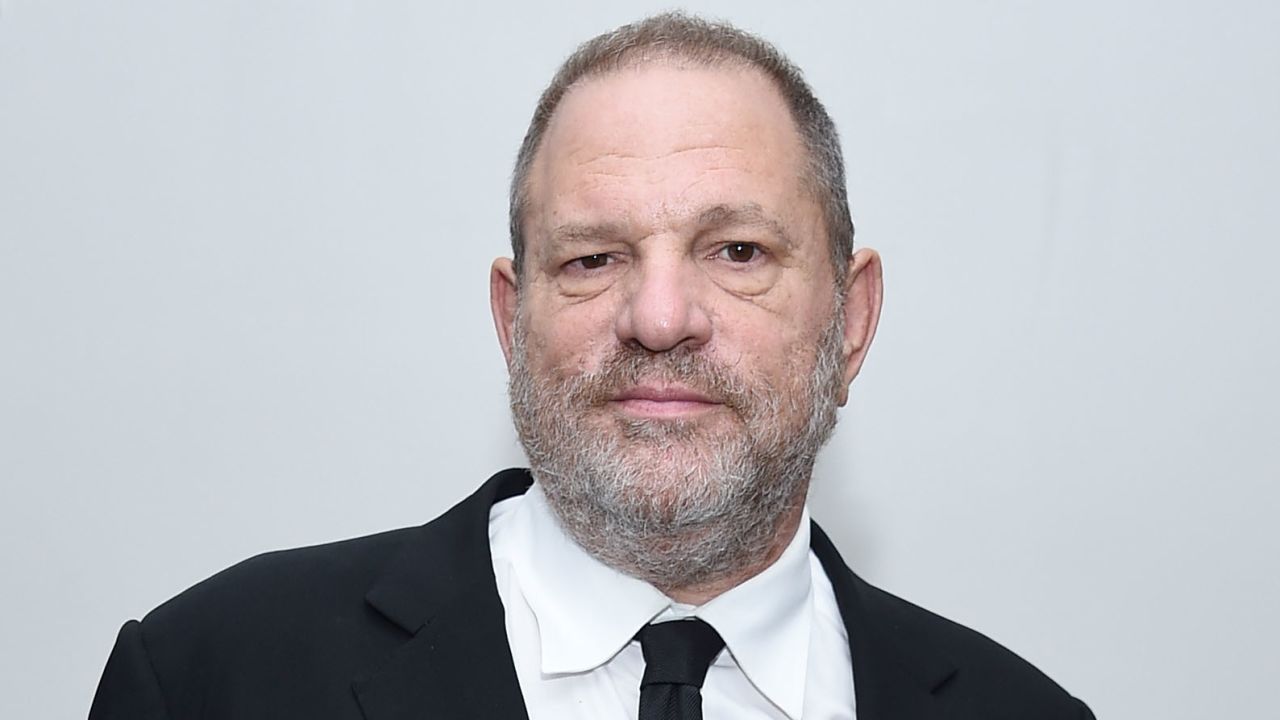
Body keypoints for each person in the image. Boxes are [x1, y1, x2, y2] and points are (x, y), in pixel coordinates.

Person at [89, 12, 1093, 720]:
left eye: (736, 251)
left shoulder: (1027, 714)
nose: (658, 318)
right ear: (509, 319)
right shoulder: (209, 679)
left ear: (852, 319)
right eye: (591, 259)